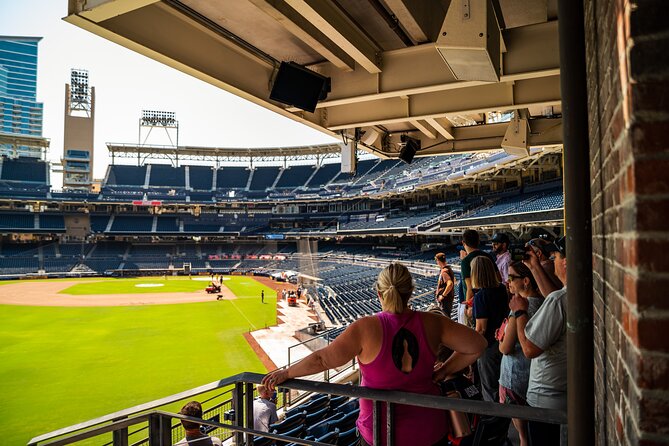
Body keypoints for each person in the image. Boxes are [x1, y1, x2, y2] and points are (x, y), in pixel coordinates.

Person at [262, 262, 487, 446]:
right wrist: (443, 371)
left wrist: (287, 373)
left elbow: (323, 359)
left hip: (380, 435)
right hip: (430, 432)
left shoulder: (365, 328)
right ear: (411, 291)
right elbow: (478, 345)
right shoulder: (433, 322)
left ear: (379, 293)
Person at [510, 237, 567, 446]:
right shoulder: (569, 295)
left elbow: (528, 348)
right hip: (561, 397)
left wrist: (519, 312)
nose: (551, 261)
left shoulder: (558, 300)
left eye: (554, 257)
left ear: (565, 263)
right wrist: (533, 265)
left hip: (545, 400)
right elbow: (553, 296)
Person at [498, 262, 544, 446]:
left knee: (523, 436)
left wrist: (501, 340)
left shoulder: (518, 308)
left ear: (526, 281)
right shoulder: (543, 302)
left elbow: (505, 348)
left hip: (514, 377)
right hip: (534, 376)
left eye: (511, 278)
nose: (507, 282)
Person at [470, 256, 509, 403]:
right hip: (504, 341)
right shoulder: (502, 289)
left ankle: (494, 420)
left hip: (488, 348)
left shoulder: (481, 296)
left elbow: (481, 330)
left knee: (490, 388)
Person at [458, 230, 498, 325]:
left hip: (476, 305)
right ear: (478, 241)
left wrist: (468, 307)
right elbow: (499, 278)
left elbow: (470, 288)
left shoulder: (466, 261)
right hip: (492, 299)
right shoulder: (488, 256)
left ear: (463, 243)